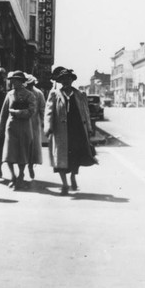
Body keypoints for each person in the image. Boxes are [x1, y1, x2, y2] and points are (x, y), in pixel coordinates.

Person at [44, 67, 98, 195]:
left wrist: (89, 128)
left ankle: (73, 176)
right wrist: (48, 127)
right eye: (63, 79)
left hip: (77, 130)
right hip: (60, 131)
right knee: (60, 159)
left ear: (72, 80)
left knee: (75, 157)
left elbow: (85, 113)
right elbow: (49, 112)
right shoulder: (54, 94)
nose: (66, 81)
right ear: (61, 81)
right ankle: (64, 184)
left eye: (68, 79)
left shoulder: (80, 95)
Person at [0, 70, 35, 190]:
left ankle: (20, 177)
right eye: (13, 80)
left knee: (23, 153)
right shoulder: (9, 94)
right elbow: (4, 112)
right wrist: (0, 127)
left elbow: (31, 111)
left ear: (22, 82)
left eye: (17, 80)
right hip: (11, 127)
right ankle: (13, 176)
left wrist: (17, 112)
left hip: (24, 127)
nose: (14, 82)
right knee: (9, 153)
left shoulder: (30, 95)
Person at [25, 74, 45, 179]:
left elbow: (42, 108)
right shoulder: (22, 92)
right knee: (23, 145)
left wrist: (43, 122)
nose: (30, 86)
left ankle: (31, 165)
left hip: (34, 123)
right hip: (23, 121)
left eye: (31, 84)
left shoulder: (38, 93)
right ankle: (22, 169)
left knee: (33, 146)